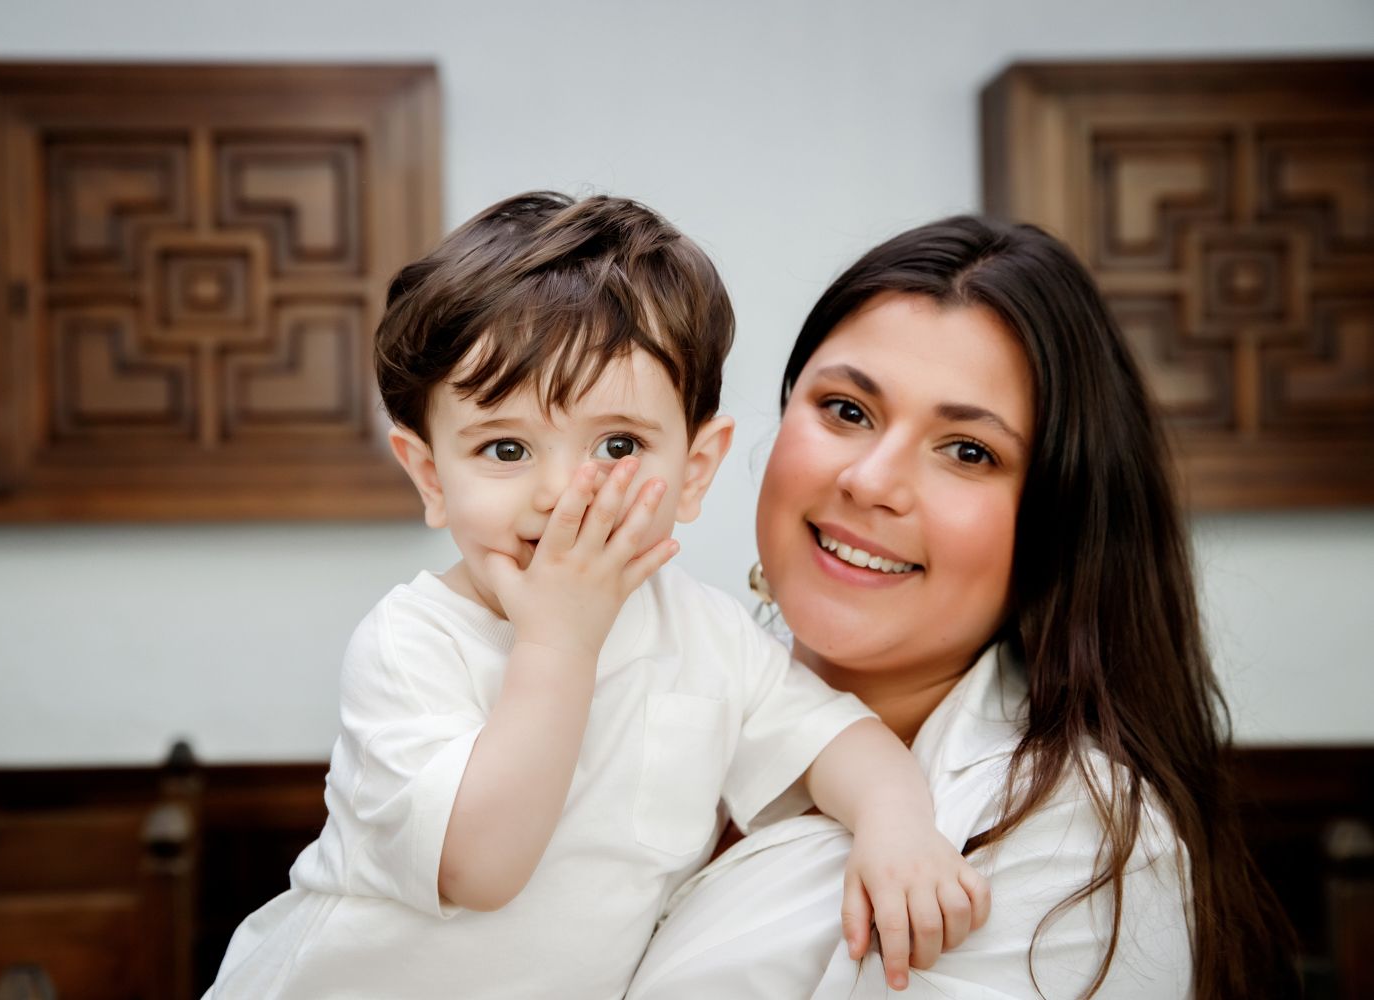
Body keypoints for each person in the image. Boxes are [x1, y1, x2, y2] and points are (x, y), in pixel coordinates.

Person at [203, 193, 989, 1000]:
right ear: (432, 477)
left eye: (617, 445)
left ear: (694, 471)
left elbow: (835, 739)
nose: (560, 493)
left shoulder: (704, 633)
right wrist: (559, 643)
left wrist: (898, 826)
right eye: (505, 447)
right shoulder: (413, 644)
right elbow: (481, 866)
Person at [628, 216, 1296, 999]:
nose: (872, 481)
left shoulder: (1079, 841)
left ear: (1058, 522)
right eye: (846, 410)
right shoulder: (658, 669)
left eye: (970, 452)